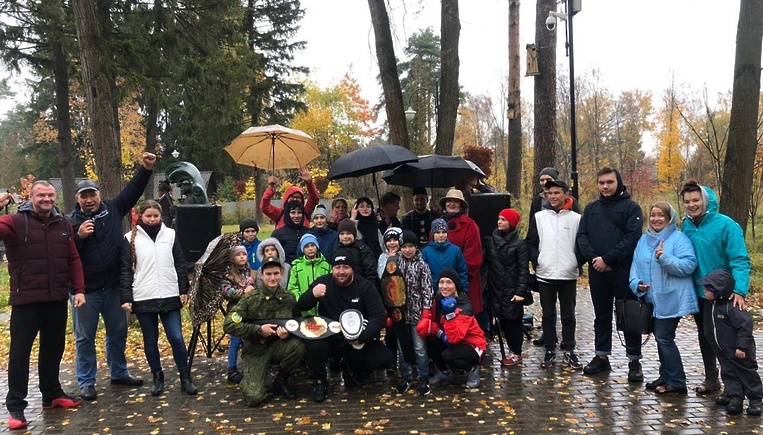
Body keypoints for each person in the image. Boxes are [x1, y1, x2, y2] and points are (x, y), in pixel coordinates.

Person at [67, 152, 155, 401]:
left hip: (114, 287)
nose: (89, 200)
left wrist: (146, 168)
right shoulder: (70, 222)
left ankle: (119, 372)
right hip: (86, 291)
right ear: (77, 199)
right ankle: (86, 381)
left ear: (99, 194)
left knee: (117, 332)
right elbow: (66, 253)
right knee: (84, 337)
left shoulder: (114, 209)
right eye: (84, 196)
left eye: (92, 194)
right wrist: (79, 237)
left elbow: (133, 190)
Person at [0, 184, 86, 430]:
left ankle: (51, 394)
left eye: (50, 195)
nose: (46, 199)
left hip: (56, 298)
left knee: (53, 349)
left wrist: (79, 289)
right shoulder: (15, 221)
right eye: (41, 195)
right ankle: (16, 406)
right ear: (31, 197)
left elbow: (73, 258)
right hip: (26, 300)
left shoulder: (63, 224)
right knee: (20, 355)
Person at [119, 200, 197, 397]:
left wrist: (184, 288)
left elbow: (180, 262)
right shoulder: (129, 238)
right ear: (141, 217)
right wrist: (126, 297)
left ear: (161, 216)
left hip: (169, 293)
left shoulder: (170, 235)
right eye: (148, 216)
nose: (152, 219)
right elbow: (126, 270)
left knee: (176, 338)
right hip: (143, 296)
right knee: (150, 339)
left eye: (155, 216)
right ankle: (157, 376)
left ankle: (185, 377)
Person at [680, 181, 751, 396]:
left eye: (696, 200)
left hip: (723, 294)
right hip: (700, 293)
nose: (692, 205)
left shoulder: (726, 225)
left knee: (725, 341)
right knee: (706, 336)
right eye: (687, 201)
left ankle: (735, 387)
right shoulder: (686, 226)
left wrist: (739, 290)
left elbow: (739, 259)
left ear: (705, 200)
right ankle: (712, 379)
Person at [295, 249, 394, 402]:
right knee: (315, 345)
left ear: (352, 269)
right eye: (337, 267)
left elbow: (379, 316)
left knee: (385, 359)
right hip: (329, 336)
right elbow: (300, 306)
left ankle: (353, 366)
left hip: (356, 338)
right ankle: (320, 381)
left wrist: (362, 336)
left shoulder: (365, 286)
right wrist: (312, 295)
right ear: (332, 268)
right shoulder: (322, 283)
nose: (341, 271)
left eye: (346, 267)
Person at [576, 167, 644, 380]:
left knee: (629, 315)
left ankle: (634, 360)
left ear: (618, 182)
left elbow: (632, 239)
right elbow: (582, 236)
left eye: (610, 182)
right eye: (602, 182)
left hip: (623, 271)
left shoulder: (631, 208)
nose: (605, 186)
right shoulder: (591, 209)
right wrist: (595, 260)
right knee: (601, 315)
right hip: (598, 271)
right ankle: (601, 356)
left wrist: (608, 259)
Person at [629, 201, 698, 395]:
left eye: (661, 215)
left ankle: (677, 381)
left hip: (671, 298)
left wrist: (664, 258)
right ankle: (666, 375)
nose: (656, 219)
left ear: (669, 218)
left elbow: (689, 266)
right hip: (651, 298)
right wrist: (636, 283)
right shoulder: (643, 240)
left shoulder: (679, 239)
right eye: (653, 215)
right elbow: (635, 265)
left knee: (664, 338)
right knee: (661, 338)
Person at [223, 257, 306, 407]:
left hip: (279, 347)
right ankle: (259, 379)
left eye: (276, 273)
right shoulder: (250, 299)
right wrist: (258, 330)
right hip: (255, 351)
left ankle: (281, 380)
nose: (272, 278)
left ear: (281, 273)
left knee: (298, 346)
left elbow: (297, 323)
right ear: (261, 275)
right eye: (268, 274)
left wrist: (289, 333)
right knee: (253, 398)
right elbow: (229, 325)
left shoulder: (289, 298)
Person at [525, 180, 583, 370]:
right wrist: (538, 259)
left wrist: (576, 261)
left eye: (557, 193)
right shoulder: (539, 217)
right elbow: (531, 242)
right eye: (549, 193)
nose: (553, 196)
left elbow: (583, 243)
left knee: (568, 315)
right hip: (545, 273)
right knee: (548, 315)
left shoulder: (576, 218)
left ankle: (569, 348)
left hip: (568, 274)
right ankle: (550, 348)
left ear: (566, 194)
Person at [700, 269, 762, 415]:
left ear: (717, 291)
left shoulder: (732, 307)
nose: (704, 292)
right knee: (729, 374)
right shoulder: (714, 305)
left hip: (740, 351)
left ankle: (755, 400)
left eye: (707, 289)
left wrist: (742, 347)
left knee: (748, 374)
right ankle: (735, 398)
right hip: (725, 351)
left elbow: (745, 327)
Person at [416, 269, 486, 389]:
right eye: (441, 282)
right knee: (430, 340)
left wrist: (450, 316)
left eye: (449, 282)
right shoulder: (438, 299)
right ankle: (444, 373)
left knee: (448, 356)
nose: (444, 286)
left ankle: (473, 368)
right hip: (450, 338)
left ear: (456, 286)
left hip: (472, 345)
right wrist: (439, 333)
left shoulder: (464, 305)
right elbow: (434, 321)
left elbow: (455, 338)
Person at [484, 208, 530, 367]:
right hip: (495, 288)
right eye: (499, 218)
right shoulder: (492, 241)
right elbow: (488, 264)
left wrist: (520, 291)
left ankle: (516, 352)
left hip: (512, 290)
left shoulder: (519, 244)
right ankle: (511, 351)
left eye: (503, 219)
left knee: (513, 322)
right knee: (502, 321)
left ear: (511, 223)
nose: (499, 222)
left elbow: (523, 270)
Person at [393, 229, 433, 396]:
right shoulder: (394, 263)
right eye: (404, 246)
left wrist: (427, 312)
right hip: (400, 314)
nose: (407, 250)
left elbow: (427, 290)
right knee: (402, 347)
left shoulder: (422, 265)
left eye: (411, 246)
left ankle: (423, 377)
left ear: (416, 247)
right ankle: (406, 376)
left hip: (417, 313)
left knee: (419, 348)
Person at [438, 189, 483, 316]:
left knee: (463, 317)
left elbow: (473, 256)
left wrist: (454, 278)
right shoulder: (438, 224)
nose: (452, 204)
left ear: (461, 205)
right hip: (442, 281)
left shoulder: (470, 225)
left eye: (456, 201)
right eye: (449, 201)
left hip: (463, 281)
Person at [220, 245, 255, 385]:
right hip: (236, 310)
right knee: (235, 339)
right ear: (232, 259)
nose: (242, 257)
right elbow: (226, 291)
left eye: (244, 254)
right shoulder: (228, 275)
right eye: (238, 255)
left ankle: (250, 366)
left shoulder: (251, 272)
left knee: (250, 338)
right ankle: (231, 369)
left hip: (250, 310)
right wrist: (242, 291)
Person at [288, 233, 331, 317]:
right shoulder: (296, 267)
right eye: (306, 246)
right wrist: (300, 300)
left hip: (323, 310)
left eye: (312, 245)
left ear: (317, 247)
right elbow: (292, 287)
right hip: (303, 311)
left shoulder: (326, 266)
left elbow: (331, 285)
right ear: (302, 249)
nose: (310, 248)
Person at [421, 218, 468, 293]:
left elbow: (462, 271)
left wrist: (463, 290)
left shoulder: (455, 250)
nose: (441, 235)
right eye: (438, 232)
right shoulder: (425, 252)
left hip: (451, 291)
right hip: (432, 291)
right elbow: (422, 275)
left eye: (444, 232)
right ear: (433, 233)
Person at [335, 219, 379, 287]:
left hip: (361, 287)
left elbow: (371, 273)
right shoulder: (337, 251)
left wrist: (368, 289)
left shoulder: (363, 249)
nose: (345, 237)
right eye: (342, 234)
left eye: (348, 233)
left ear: (354, 235)